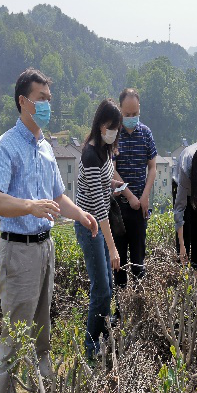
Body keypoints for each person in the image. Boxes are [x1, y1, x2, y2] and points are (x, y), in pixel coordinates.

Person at [0, 68, 98, 393]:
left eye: (50, 99)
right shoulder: (6, 147)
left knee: (41, 332)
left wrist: (80, 214)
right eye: (42, 98)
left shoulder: (46, 148)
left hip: (44, 248)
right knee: (14, 336)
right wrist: (29, 206)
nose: (48, 105)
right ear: (23, 101)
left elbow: (57, 196)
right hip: (19, 251)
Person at [75, 99, 122, 358]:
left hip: (99, 224)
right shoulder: (90, 155)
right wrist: (113, 248)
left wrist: (114, 185)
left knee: (108, 287)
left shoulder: (104, 149)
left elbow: (104, 182)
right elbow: (99, 209)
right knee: (101, 289)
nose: (114, 131)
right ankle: (91, 347)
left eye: (116, 127)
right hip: (90, 226)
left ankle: (104, 337)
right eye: (111, 126)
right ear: (101, 124)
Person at [113, 88, 157, 288]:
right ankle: (120, 309)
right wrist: (129, 195)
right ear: (120, 111)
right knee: (119, 261)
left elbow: (153, 167)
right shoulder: (114, 135)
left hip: (141, 205)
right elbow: (112, 171)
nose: (131, 118)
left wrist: (144, 196)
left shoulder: (146, 133)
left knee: (139, 258)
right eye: (127, 114)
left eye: (135, 114)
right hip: (120, 205)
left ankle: (139, 304)